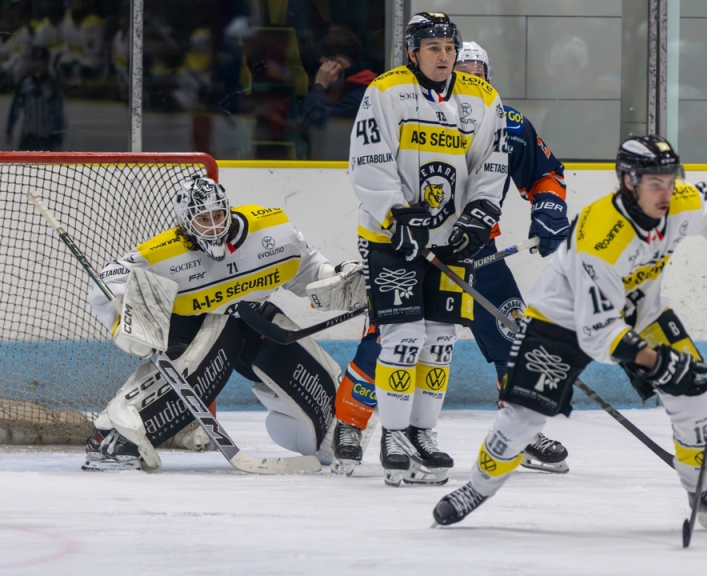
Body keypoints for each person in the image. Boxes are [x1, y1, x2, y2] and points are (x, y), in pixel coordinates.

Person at [432, 135, 707, 533]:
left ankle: (703, 490)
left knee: (691, 388)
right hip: (560, 319)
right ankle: (477, 487)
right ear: (628, 182)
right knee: (524, 416)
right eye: (654, 183)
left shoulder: (680, 198)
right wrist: (658, 362)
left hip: (640, 309)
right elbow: (599, 335)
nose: (666, 191)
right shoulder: (601, 238)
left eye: (669, 179)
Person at [329, 40, 572, 476]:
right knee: (391, 337)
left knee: (513, 332)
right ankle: (350, 422)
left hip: (480, 250)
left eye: (479, 69)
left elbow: (546, 174)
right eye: (465, 67)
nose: (471, 75)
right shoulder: (409, 104)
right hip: (413, 243)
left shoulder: (505, 120)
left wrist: (550, 209)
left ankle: (520, 431)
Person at [83, 176, 365, 471]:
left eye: (218, 215)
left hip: (252, 321)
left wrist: (336, 276)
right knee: (219, 336)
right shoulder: (164, 253)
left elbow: (309, 270)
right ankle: (112, 439)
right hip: (191, 330)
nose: (215, 225)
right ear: (186, 221)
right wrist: (129, 320)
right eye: (204, 218)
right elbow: (109, 282)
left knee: (286, 347)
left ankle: (335, 434)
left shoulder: (272, 232)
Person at [347, 12, 506, 487]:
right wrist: (396, 215)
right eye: (433, 47)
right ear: (413, 52)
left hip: (448, 242)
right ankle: (393, 434)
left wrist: (479, 215)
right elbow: (369, 160)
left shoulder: (481, 97)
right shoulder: (386, 90)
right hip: (391, 239)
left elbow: (490, 164)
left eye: (449, 47)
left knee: (439, 339)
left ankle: (423, 432)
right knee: (401, 337)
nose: (443, 56)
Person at [301, 28, 377, 129]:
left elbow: (313, 122)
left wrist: (319, 84)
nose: (321, 72)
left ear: (339, 63)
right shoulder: (355, 89)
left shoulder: (358, 98)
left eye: (323, 67)